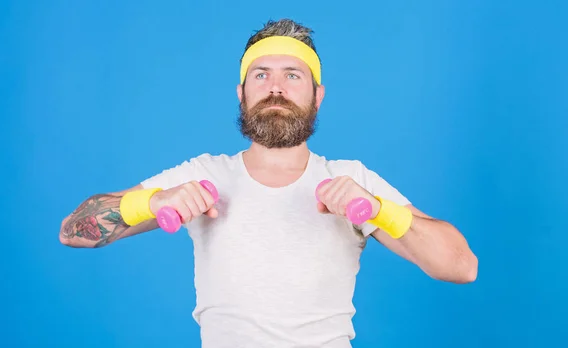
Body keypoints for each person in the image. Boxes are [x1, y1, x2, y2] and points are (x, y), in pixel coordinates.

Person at [59, 18, 478, 348]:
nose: (276, 87)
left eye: (293, 75)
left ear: (318, 95)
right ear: (241, 93)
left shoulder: (352, 181)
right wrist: (150, 202)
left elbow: (461, 267)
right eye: (261, 75)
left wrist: (381, 209)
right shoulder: (203, 176)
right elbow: (74, 232)